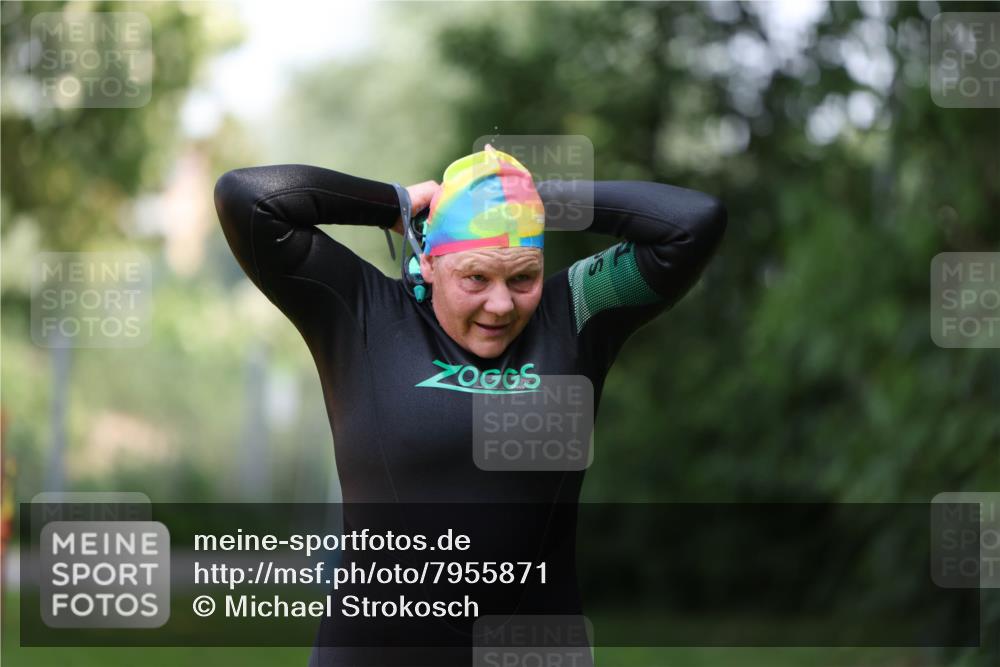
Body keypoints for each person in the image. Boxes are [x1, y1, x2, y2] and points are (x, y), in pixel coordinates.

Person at [214, 144, 726, 665]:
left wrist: (531, 196)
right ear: (430, 261)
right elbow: (249, 198)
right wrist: (393, 204)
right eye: (476, 278)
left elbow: (691, 223)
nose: (501, 304)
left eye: (523, 277)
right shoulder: (362, 312)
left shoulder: (575, 313)